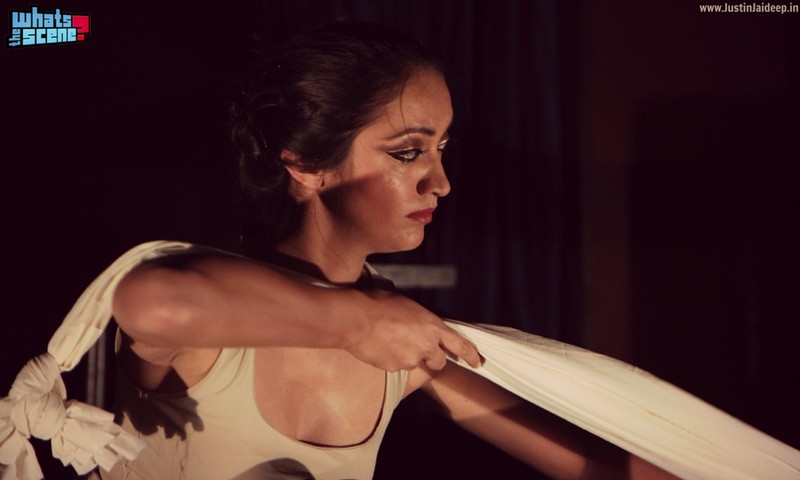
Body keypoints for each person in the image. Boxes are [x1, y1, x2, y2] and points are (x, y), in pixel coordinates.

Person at [101, 21, 676, 479]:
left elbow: (596, 468)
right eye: (407, 153)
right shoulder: (216, 312)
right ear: (307, 164)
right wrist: (354, 322)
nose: (441, 183)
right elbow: (146, 301)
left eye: (442, 147)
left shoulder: (403, 346)